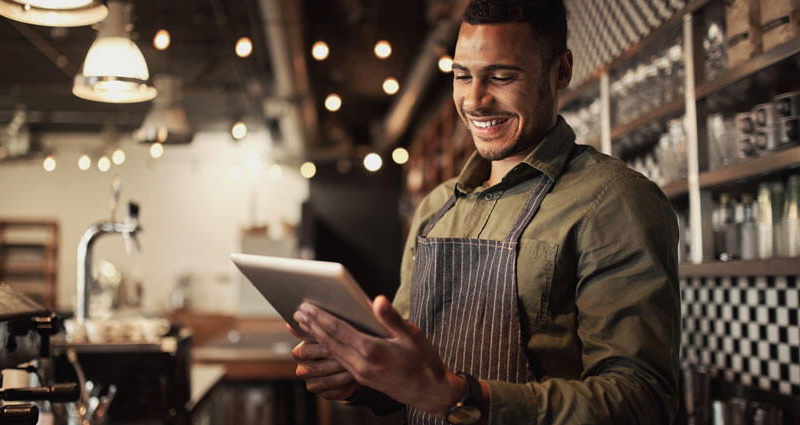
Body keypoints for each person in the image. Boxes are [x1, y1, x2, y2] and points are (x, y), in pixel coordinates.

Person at [289, 0, 681, 423]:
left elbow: (642, 400)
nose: (475, 100)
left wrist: (460, 396)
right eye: (462, 76)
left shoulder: (614, 200)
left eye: (501, 76)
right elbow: (409, 377)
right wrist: (362, 377)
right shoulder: (437, 207)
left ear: (561, 71)